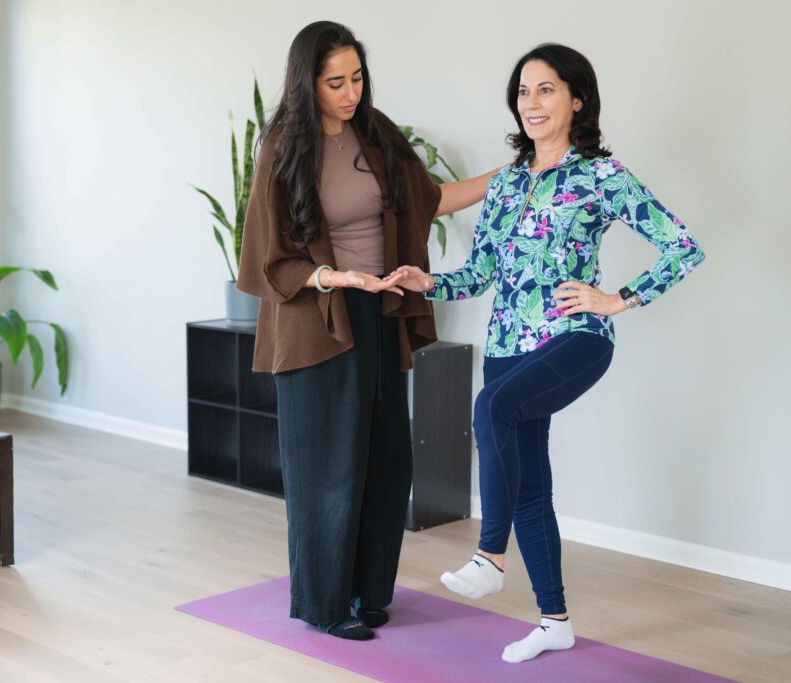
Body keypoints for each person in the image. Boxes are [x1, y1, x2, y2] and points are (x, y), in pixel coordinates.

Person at [394, 43, 705, 662]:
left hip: (573, 337)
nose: (530, 103)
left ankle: (490, 556)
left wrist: (617, 299)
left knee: (491, 409)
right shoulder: (506, 183)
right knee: (532, 485)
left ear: (577, 99)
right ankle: (554, 620)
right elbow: (482, 273)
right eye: (522, 91)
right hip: (507, 345)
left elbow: (683, 246)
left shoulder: (602, 176)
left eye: (546, 89)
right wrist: (428, 282)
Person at [236, 20, 496, 640]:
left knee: (386, 462)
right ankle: (325, 604)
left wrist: (512, 174)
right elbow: (267, 255)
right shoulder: (283, 148)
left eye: (357, 78)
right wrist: (335, 277)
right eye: (336, 82)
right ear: (307, 83)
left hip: (382, 314)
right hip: (318, 321)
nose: (350, 92)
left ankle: (370, 593)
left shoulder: (374, 133)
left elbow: (429, 197)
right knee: (328, 468)